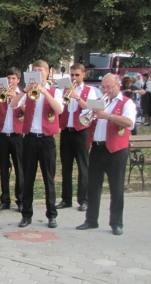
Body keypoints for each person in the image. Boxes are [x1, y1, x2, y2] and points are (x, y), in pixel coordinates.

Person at [76, 73, 137, 235]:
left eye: (109, 87)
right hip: (97, 148)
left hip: (116, 150)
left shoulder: (126, 103)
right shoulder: (100, 101)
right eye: (103, 87)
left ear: (118, 86)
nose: (106, 90)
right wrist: (90, 114)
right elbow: (83, 119)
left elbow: (129, 123)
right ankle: (91, 220)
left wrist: (107, 116)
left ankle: (117, 223)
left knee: (116, 187)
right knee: (93, 186)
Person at [9, 60, 64, 229]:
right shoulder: (29, 90)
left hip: (47, 139)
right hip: (30, 138)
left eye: (40, 71)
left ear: (47, 72)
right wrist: (25, 90)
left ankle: (51, 215)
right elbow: (13, 104)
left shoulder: (55, 91)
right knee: (28, 179)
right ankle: (26, 215)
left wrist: (45, 92)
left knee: (49, 179)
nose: (37, 73)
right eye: (34, 71)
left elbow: (59, 109)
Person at [56, 64, 97, 212]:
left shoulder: (90, 91)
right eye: (72, 75)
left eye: (77, 75)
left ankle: (83, 200)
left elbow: (91, 109)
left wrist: (77, 97)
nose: (74, 78)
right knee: (66, 167)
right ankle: (66, 199)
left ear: (83, 75)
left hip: (81, 131)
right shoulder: (64, 89)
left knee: (82, 166)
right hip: (66, 131)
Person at [0, 67, 24, 213]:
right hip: (2, 136)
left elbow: (26, 111)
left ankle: (21, 200)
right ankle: (5, 200)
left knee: (20, 169)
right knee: (4, 169)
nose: (10, 81)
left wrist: (14, 99)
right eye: (8, 78)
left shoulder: (22, 95)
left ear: (18, 80)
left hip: (17, 136)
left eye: (13, 78)